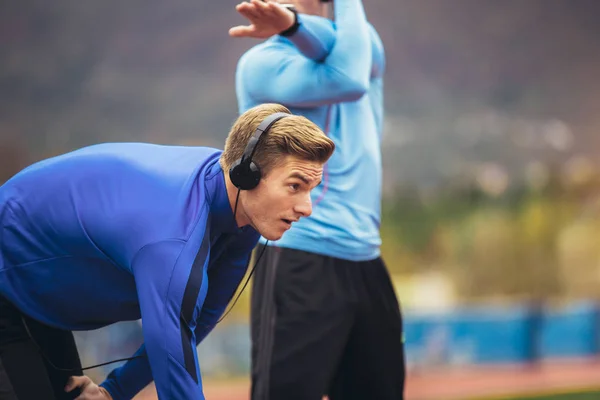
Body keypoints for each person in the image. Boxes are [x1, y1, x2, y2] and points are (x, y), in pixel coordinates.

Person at [0, 102, 335, 400]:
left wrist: (113, 390)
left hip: (36, 292)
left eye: (310, 189)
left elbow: (197, 320)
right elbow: (172, 358)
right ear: (246, 174)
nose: (307, 207)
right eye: (295, 186)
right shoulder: (172, 239)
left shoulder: (237, 215)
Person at [231, 1, 405, 399]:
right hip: (299, 256)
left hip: (366, 258)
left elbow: (352, 58)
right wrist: (292, 26)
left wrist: (295, 23)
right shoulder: (261, 65)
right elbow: (347, 79)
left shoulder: (363, 44)